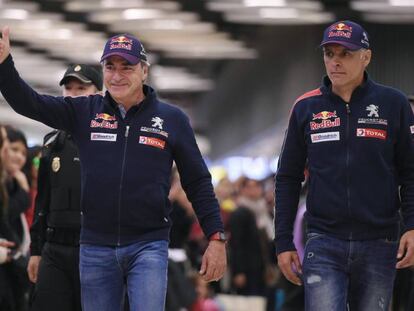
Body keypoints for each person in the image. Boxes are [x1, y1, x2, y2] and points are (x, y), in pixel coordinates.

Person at [0, 28, 227, 311]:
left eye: (127, 67)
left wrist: (216, 236)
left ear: (144, 71)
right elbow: (29, 103)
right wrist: (4, 64)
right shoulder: (85, 112)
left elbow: (198, 181)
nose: (117, 75)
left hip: (148, 245)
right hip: (95, 246)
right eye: (110, 67)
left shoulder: (171, 119)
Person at [274, 20, 414, 311]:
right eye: (329, 54)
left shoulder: (394, 104)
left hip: (380, 241)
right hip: (324, 241)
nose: (335, 62)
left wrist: (412, 227)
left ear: (366, 56)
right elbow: (287, 178)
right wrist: (284, 242)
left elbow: (410, 173)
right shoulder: (306, 108)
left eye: (345, 54)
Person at [27, 64, 103, 311]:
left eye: (81, 88)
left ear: (99, 94)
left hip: (95, 251)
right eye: (68, 89)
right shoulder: (51, 142)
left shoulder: (110, 140)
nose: (72, 94)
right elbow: (42, 201)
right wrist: (36, 250)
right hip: (54, 249)